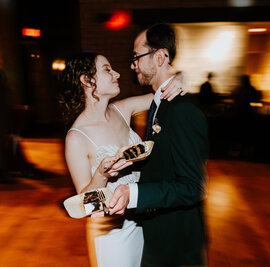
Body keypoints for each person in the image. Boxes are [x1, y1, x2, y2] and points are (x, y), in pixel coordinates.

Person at [59, 52, 185, 267]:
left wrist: (181, 79)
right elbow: (86, 202)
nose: (117, 73)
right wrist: (101, 174)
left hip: (144, 219)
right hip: (112, 234)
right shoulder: (77, 137)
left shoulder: (122, 109)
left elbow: (166, 93)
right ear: (86, 80)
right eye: (107, 69)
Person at [109, 23, 209, 267]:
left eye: (136, 57)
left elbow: (192, 187)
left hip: (177, 243)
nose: (133, 66)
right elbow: (164, 161)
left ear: (160, 57)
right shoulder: (159, 103)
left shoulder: (182, 110)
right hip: (160, 234)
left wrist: (134, 194)